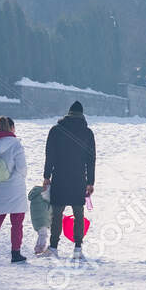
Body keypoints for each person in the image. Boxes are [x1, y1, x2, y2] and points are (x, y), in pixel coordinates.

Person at [44, 101, 96, 258]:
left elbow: (50, 155)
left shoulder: (56, 130)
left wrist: (46, 176)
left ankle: (53, 247)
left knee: (57, 214)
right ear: (82, 115)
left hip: (60, 177)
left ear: (68, 113)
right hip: (78, 178)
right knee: (78, 214)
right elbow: (91, 160)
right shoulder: (88, 133)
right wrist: (90, 182)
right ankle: (78, 249)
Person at [0, 116, 29, 264]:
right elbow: (22, 167)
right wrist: (18, 177)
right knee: (17, 223)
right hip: (15, 188)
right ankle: (15, 253)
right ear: (12, 128)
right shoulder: (16, 144)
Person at [28, 184, 53, 256]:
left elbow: (48, 209)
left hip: (39, 218)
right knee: (43, 234)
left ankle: (38, 248)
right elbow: (49, 208)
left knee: (42, 234)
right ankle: (40, 248)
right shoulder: (43, 194)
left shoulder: (38, 194)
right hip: (41, 218)